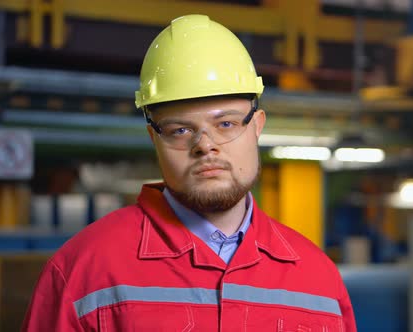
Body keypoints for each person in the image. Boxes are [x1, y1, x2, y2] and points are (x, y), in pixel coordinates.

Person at [22, 14, 356, 331]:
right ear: (154, 138)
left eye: (225, 124)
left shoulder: (319, 278)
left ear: (257, 127)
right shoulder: (83, 270)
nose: (205, 145)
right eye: (181, 130)